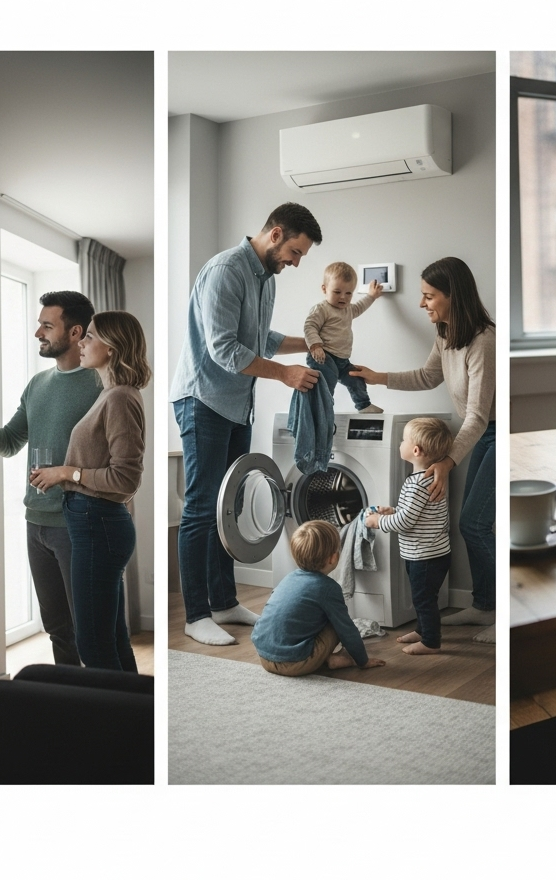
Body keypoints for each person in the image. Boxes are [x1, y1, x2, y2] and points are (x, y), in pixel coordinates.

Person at [169, 202, 323, 647]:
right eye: (295, 252)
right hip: (203, 400)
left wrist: (312, 346)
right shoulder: (225, 271)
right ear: (275, 234)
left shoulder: (265, 279)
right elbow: (224, 351)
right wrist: (287, 374)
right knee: (201, 508)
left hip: (236, 405)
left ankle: (223, 602)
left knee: (227, 507)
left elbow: (260, 341)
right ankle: (195, 615)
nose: (296, 262)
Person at [0, 291, 99, 666]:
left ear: (75, 333)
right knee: (57, 626)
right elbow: (10, 442)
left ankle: (108, 709)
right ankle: (71, 705)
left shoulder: (100, 386)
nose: (37, 333)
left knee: (90, 628)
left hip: (78, 524)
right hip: (36, 523)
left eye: (46, 325)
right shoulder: (37, 385)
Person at [350, 257, 496, 643]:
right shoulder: (446, 335)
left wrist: (448, 461)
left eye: (429, 296)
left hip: (495, 432)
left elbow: (479, 415)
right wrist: (377, 378)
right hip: (478, 435)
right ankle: (485, 607)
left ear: (454, 297)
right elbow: (428, 376)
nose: (422, 304)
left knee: (475, 524)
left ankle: (497, 611)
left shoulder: (484, 342)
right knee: (473, 524)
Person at [31, 311, 150, 672]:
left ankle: (110, 724)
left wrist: (67, 472)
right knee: (110, 637)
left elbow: (126, 479)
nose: (81, 342)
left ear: (112, 348)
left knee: (93, 644)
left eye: (91, 336)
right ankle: (133, 717)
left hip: (98, 525)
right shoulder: (110, 395)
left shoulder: (118, 399)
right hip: (93, 524)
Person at [251, 520, 386, 676]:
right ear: (333, 558)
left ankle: (323, 658)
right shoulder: (328, 588)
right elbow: (347, 629)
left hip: (265, 656)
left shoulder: (288, 578)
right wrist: (363, 661)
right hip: (294, 663)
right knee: (337, 623)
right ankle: (340, 659)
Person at [365, 417, 453, 655]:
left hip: (425, 556)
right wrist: (391, 510)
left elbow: (405, 522)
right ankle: (422, 631)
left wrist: (378, 521)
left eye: (404, 440)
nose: (400, 443)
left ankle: (431, 641)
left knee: (424, 600)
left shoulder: (417, 484)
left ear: (415, 450)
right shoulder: (424, 480)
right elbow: (412, 514)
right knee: (422, 597)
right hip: (431, 553)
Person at [303, 262, 384, 413]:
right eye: (337, 292)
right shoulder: (322, 309)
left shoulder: (348, 310)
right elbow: (310, 326)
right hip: (323, 356)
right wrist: (315, 346)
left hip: (342, 360)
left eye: (348, 293)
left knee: (356, 378)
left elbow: (360, 307)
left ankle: (364, 405)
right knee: (328, 380)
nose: (343, 297)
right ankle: (323, 409)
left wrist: (371, 296)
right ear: (324, 289)